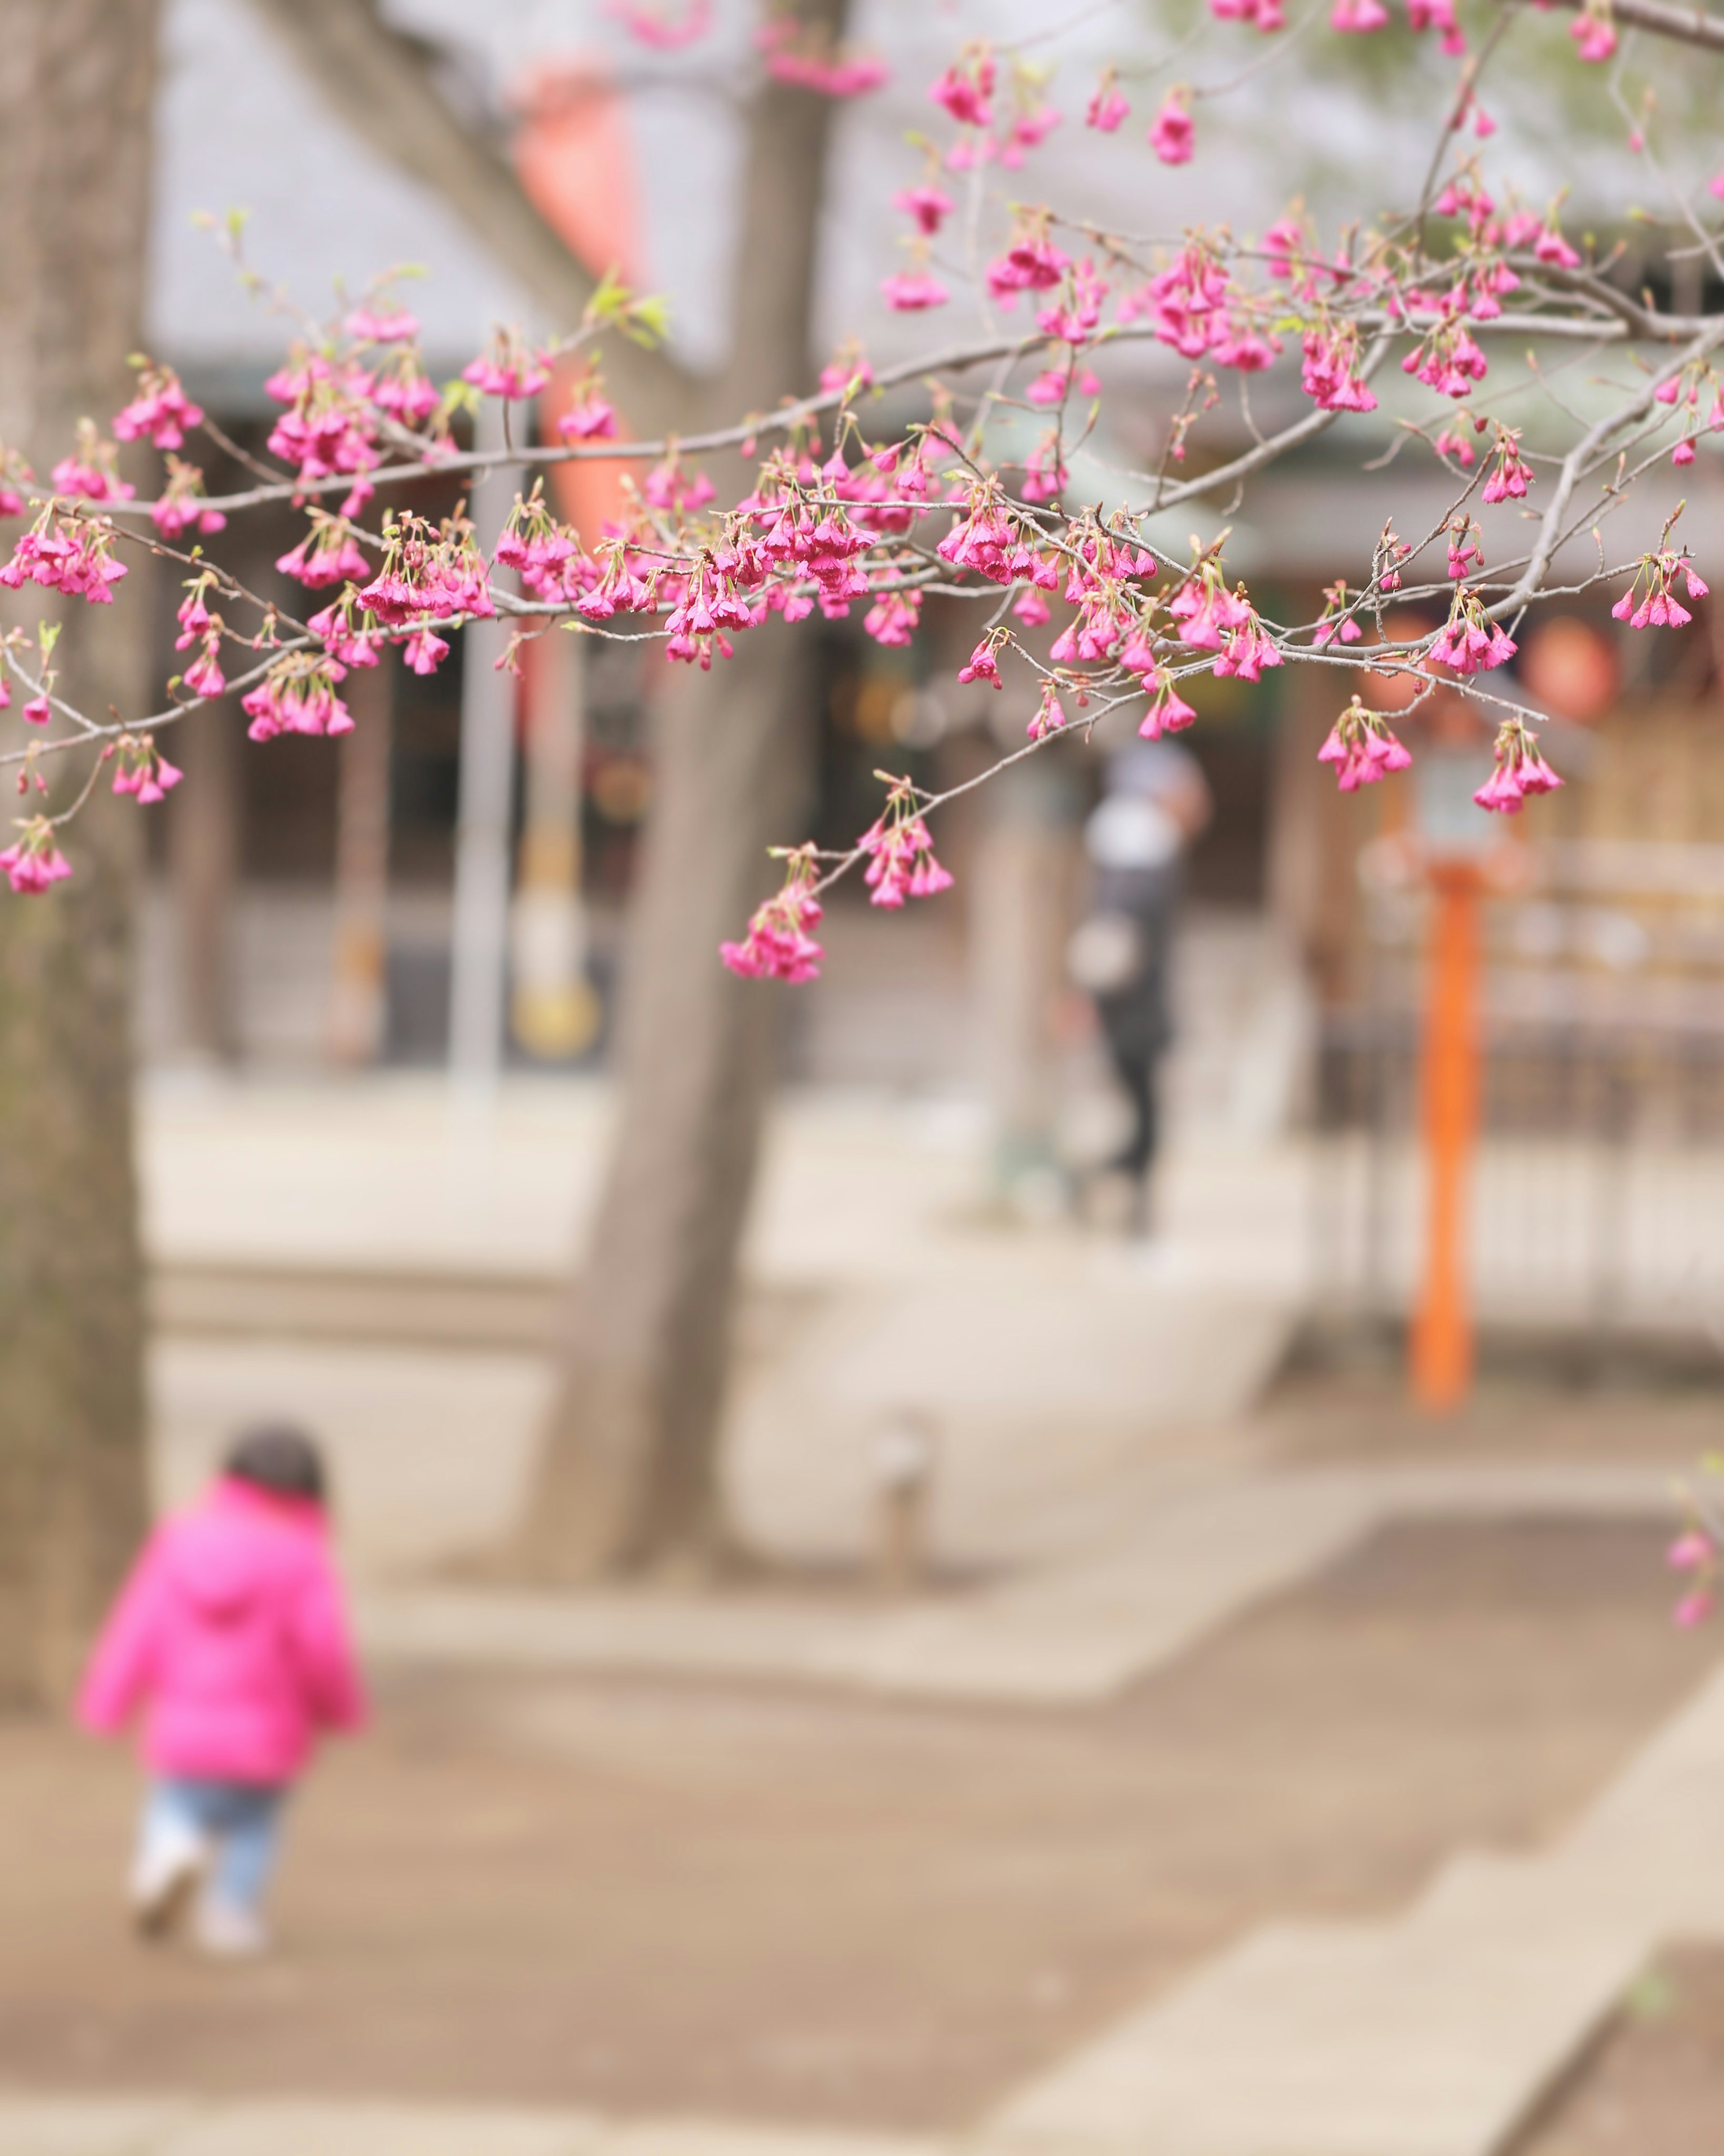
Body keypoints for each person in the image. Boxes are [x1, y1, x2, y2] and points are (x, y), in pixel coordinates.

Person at [76, 1424, 365, 1957]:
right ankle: (230, 1912)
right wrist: (342, 1711)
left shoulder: (178, 1538)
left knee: (176, 1805)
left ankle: (168, 1854)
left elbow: (136, 1626)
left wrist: (105, 1702)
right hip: (269, 1730)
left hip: (183, 1726)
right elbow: (323, 1648)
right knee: (254, 1826)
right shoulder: (303, 1555)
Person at [1069, 740, 1212, 1234]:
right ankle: (1121, 1208)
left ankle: (1118, 1203)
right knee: (1147, 1122)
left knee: (1143, 1117)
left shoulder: (1123, 847)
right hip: (1136, 1007)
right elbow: (1120, 935)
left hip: (1128, 1003)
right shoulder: (1145, 852)